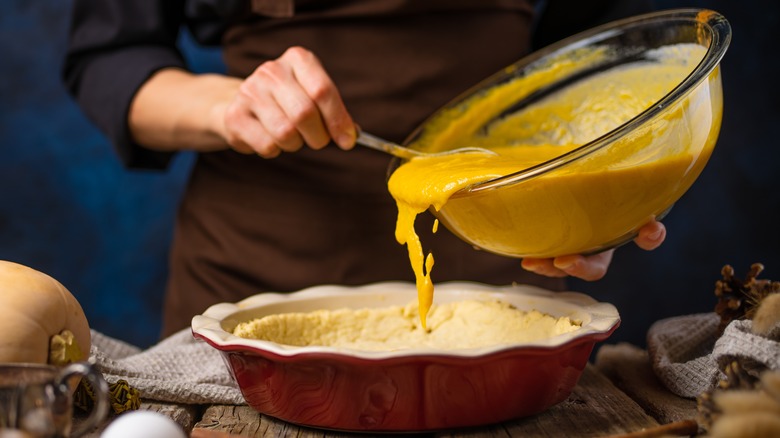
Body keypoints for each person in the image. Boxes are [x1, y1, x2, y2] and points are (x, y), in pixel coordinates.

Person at [63, 0, 664, 338]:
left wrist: (594, 192)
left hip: (503, 278)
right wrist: (229, 107)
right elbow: (108, 55)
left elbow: (598, 56)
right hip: (252, 283)